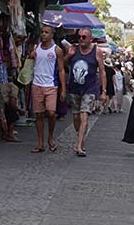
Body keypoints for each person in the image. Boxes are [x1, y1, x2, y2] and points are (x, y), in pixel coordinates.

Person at [66, 28, 106, 157]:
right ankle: (81, 137)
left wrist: (103, 91)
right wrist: (69, 55)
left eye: (84, 37)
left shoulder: (97, 52)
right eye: (80, 37)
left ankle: (79, 146)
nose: (81, 39)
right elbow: (62, 64)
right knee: (76, 117)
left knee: (84, 116)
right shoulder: (73, 49)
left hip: (89, 89)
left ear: (90, 39)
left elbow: (102, 71)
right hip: (74, 88)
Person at [29, 25, 65, 153]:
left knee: (51, 113)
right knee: (38, 115)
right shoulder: (36, 48)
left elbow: (61, 70)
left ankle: (50, 137)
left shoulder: (57, 50)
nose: (43, 34)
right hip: (37, 85)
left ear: (52, 35)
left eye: (46, 32)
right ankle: (40, 143)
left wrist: (63, 89)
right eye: (42, 32)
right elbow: (30, 59)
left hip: (51, 85)